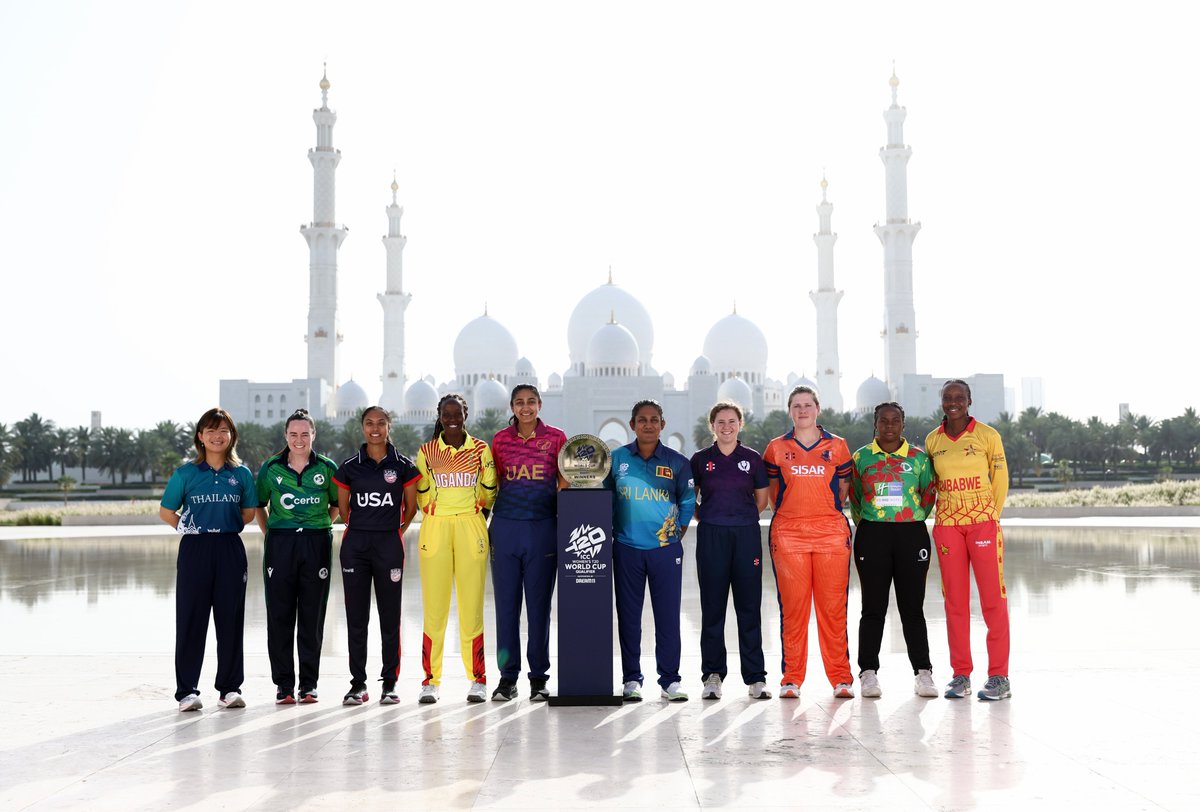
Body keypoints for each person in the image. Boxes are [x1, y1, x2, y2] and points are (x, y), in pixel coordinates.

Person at [159, 408, 258, 712]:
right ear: (200, 436)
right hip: (195, 549)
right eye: (211, 430)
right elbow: (166, 511)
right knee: (191, 620)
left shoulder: (240, 474)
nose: (217, 436)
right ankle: (187, 691)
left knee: (230, 620)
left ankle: (229, 689)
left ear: (232, 436)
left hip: (229, 548)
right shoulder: (185, 473)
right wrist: (186, 526)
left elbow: (248, 513)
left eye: (224, 430)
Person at [762, 385, 855, 699]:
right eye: (796, 406)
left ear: (818, 409)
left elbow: (842, 489)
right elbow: (774, 491)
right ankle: (791, 678)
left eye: (807, 405)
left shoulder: (838, 446)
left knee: (832, 609)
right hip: (789, 536)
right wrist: (793, 513)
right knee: (794, 609)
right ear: (789, 410)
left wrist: (821, 510)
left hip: (831, 534)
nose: (802, 410)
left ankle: (841, 678)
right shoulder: (776, 448)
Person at [925, 379, 1011, 701]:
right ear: (942, 401)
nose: (953, 402)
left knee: (993, 600)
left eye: (959, 397)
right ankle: (961, 675)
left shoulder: (988, 435)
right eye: (947, 397)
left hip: (983, 524)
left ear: (969, 400)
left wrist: (991, 515)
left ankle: (999, 676)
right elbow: (930, 484)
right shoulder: (933, 440)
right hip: (948, 526)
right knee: (955, 603)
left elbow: (1000, 478)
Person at [848, 402, 939, 699]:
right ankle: (868, 672)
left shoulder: (919, 459)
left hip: (911, 534)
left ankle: (923, 672)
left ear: (903, 424)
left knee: (912, 608)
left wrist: (909, 519)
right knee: (873, 608)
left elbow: (927, 497)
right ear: (875, 424)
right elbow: (857, 498)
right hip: (873, 534)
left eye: (895, 420)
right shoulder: (861, 458)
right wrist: (875, 522)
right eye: (883, 421)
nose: (889, 426)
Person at [608, 400, 696, 702]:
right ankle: (632, 679)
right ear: (632, 425)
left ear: (663, 424)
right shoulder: (616, 459)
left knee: (668, 616)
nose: (648, 425)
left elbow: (687, 503)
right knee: (629, 617)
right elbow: (603, 500)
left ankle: (670, 680)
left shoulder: (677, 462)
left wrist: (671, 538)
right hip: (626, 549)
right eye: (642, 420)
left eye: (654, 420)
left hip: (665, 551)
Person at [333, 406, 420, 706]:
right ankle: (358, 684)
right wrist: (362, 527)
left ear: (389, 426)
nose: (375, 428)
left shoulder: (404, 466)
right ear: (362, 427)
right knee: (356, 618)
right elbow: (344, 510)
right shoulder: (349, 466)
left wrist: (392, 529)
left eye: (381, 423)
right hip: (355, 547)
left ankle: (390, 684)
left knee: (390, 617)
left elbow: (411, 509)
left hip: (388, 546)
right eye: (369, 423)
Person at [414, 394, 497, 704]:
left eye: (457, 413)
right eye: (446, 413)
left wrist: (476, 516)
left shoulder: (480, 449)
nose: (451, 418)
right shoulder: (427, 451)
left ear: (466, 414)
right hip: (436, 528)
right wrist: (439, 515)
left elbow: (490, 488)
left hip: (470, 526)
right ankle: (429, 680)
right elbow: (422, 493)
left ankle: (478, 679)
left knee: (471, 607)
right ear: (439, 414)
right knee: (434, 608)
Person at [254, 408, 340, 705]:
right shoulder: (271, 468)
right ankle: (284, 686)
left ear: (313, 435)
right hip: (281, 544)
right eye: (293, 434)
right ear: (285, 436)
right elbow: (260, 505)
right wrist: (272, 534)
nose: (299, 439)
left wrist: (319, 525)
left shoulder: (327, 468)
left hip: (316, 542)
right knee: (279, 616)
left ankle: (309, 685)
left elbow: (336, 504)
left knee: (312, 616)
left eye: (305, 434)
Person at [488, 385, 568, 702]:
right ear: (512, 406)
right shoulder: (499, 440)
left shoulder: (557, 438)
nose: (525, 408)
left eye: (531, 402)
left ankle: (538, 679)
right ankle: (507, 679)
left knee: (539, 609)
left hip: (543, 528)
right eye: (519, 403)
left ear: (540, 404)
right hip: (505, 528)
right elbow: (491, 483)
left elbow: (565, 482)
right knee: (507, 609)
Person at [689, 400, 771, 701]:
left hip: (746, 535)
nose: (726, 427)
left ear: (740, 424)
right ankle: (712, 675)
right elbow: (691, 498)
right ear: (712, 426)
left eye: (731, 421)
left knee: (749, 607)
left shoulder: (752, 458)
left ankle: (755, 678)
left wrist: (739, 518)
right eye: (720, 422)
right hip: (712, 535)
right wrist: (709, 517)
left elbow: (761, 501)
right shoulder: (699, 459)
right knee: (713, 608)